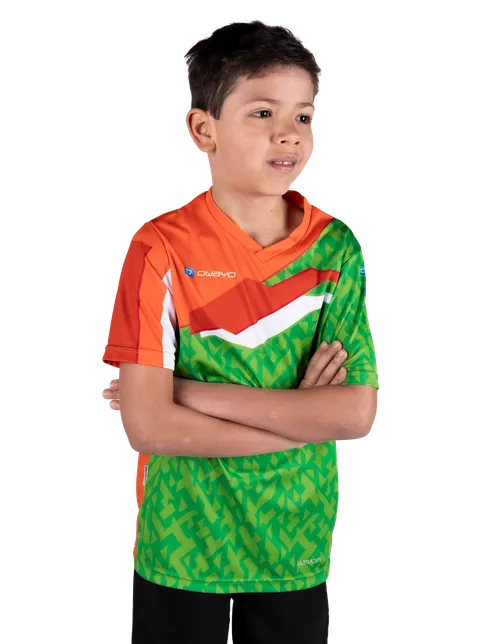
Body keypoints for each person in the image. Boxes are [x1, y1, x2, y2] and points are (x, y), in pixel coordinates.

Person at [100, 18, 380, 644]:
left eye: (304, 116)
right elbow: (150, 428)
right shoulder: (159, 249)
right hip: (183, 543)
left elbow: (355, 413)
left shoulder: (335, 250)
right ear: (203, 130)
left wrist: (186, 394)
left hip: (295, 543)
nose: (289, 133)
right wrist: (301, 424)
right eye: (262, 112)